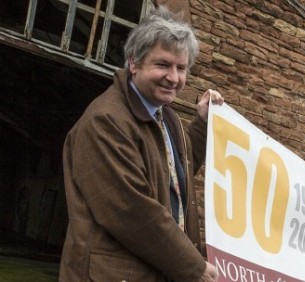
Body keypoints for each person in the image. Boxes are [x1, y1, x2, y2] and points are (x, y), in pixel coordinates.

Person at [59, 6, 222, 282]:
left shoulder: (164, 116)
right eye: (163, 64)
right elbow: (131, 209)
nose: (174, 77)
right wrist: (193, 267)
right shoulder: (106, 120)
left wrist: (204, 122)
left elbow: (174, 176)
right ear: (133, 62)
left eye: (181, 68)